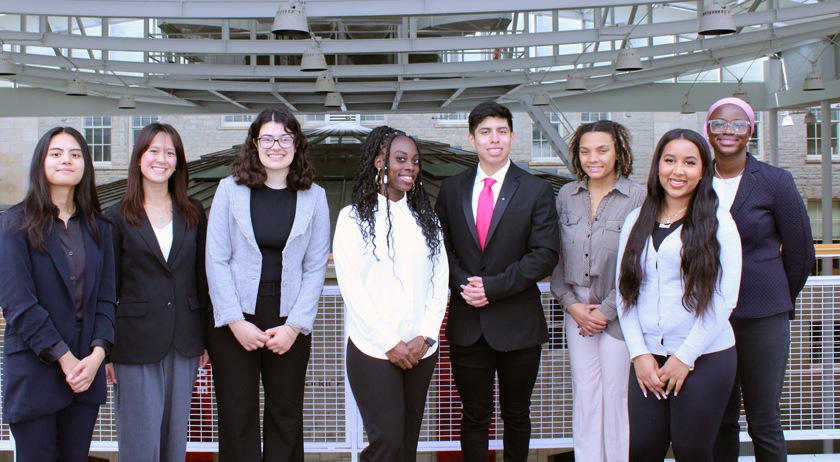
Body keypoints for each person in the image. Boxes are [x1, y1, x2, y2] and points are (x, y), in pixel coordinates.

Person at [434, 101, 560, 462]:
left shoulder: (536, 189)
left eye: (502, 131)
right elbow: (442, 247)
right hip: (467, 323)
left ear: (512, 137)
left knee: (517, 415)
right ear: (472, 138)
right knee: (474, 415)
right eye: (486, 132)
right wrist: (463, 283)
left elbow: (544, 254)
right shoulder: (452, 188)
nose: (494, 139)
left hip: (518, 324)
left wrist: (493, 287)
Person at [205, 108, 330, 461]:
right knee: (237, 413)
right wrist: (234, 320)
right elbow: (216, 258)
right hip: (236, 316)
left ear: (297, 144)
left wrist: (293, 327)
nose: (276, 146)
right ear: (255, 144)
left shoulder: (315, 196)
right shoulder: (229, 191)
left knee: (285, 415)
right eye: (267, 138)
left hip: (289, 316)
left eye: (285, 138)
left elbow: (315, 266)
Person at [616, 128, 742, 461]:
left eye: (689, 162)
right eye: (670, 160)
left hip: (704, 356)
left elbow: (724, 299)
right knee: (643, 448)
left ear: (703, 171)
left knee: (692, 450)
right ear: (658, 164)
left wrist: (685, 357)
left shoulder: (720, 222)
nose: (678, 171)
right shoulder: (635, 220)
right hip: (649, 358)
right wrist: (638, 353)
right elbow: (624, 293)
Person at [707, 98, 815, 462]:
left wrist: (776, 297)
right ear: (708, 130)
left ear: (750, 131)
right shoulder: (694, 179)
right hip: (709, 316)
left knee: (763, 420)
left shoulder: (775, 181)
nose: (728, 131)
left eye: (738, 124)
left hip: (763, 316)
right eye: (719, 123)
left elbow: (801, 253)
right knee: (719, 418)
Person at [0, 127, 116, 462]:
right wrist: (65, 358)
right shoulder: (15, 224)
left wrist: (97, 357)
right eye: (56, 153)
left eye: (75, 154)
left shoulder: (100, 228)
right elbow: (18, 304)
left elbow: (107, 300)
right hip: (36, 372)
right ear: (41, 162)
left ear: (85, 166)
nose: (67, 160)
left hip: (85, 376)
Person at [334, 126, 448, 462]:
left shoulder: (427, 220)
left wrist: (426, 336)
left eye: (414, 160)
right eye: (400, 159)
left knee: (407, 447)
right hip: (373, 350)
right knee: (388, 443)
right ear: (379, 161)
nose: (410, 167)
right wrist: (389, 342)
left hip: (420, 351)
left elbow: (439, 281)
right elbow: (351, 287)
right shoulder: (351, 218)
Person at [104, 123, 210, 462]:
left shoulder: (193, 212)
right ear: (139, 158)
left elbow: (202, 279)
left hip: (185, 339)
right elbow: (108, 287)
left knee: (174, 441)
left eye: (169, 152)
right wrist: (105, 350)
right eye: (153, 151)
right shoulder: (116, 217)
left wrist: (207, 339)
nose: (161, 159)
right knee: (139, 441)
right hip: (134, 343)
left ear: (178, 162)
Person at [550, 120, 644, 462]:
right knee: (585, 392)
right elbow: (555, 256)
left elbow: (639, 263)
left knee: (615, 394)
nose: (594, 158)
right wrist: (571, 305)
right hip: (577, 310)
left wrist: (605, 311)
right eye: (586, 151)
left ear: (618, 152)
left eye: (602, 150)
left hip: (618, 311)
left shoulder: (638, 196)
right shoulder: (566, 196)